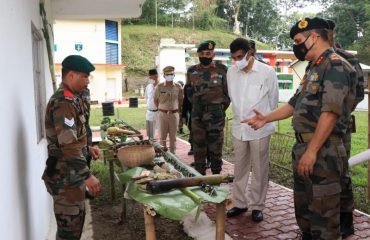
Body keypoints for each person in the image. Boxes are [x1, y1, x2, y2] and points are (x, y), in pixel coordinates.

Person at [245, 17, 356, 239]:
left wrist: (312, 151)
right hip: (304, 148)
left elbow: (330, 113)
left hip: (322, 151)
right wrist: (266, 118)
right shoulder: (314, 68)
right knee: (305, 213)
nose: (297, 46)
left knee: (324, 220)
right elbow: (294, 104)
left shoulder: (335, 65)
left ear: (314, 37)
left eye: (299, 40)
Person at [42, 55, 102, 239]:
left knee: (74, 229)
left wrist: (87, 148)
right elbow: (68, 146)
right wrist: (88, 176)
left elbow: (73, 137)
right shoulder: (64, 102)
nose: (87, 81)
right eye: (84, 76)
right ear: (71, 75)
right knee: (69, 233)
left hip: (70, 177)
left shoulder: (72, 99)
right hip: (65, 180)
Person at [226, 38, 279, 222]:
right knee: (239, 167)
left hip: (259, 128)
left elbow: (273, 101)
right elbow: (232, 97)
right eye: (233, 58)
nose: (237, 61)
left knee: (259, 168)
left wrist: (265, 119)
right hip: (239, 127)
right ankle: (239, 203)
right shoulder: (231, 73)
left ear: (251, 53)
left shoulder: (267, 72)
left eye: (240, 57)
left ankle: (257, 206)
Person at [326, 19, 365, 238]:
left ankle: (345, 219)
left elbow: (358, 93)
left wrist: (337, 112)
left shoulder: (349, 59)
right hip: (318, 128)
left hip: (340, 128)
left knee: (341, 172)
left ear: (331, 33)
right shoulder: (316, 60)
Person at [186, 40, 230, 175]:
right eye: (203, 53)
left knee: (216, 147)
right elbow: (188, 92)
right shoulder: (192, 71)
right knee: (198, 148)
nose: (206, 56)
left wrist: (219, 109)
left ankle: (216, 177)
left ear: (213, 54)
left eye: (209, 53)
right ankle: (201, 178)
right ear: (198, 54)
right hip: (197, 116)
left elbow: (227, 93)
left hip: (216, 116)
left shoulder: (222, 69)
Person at [154, 66, 183, 154]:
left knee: (173, 137)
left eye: (171, 74)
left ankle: (173, 156)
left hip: (174, 115)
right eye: (167, 74)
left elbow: (181, 100)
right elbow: (155, 100)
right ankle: (163, 155)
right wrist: (162, 109)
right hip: (162, 115)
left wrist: (178, 111)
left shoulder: (178, 87)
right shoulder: (159, 87)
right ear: (164, 75)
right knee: (162, 137)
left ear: (174, 75)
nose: (169, 76)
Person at [80, 88, 100, 169]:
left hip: (86, 133)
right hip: (78, 143)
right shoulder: (66, 100)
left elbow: (85, 118)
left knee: (87, 160)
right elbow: (68, 144)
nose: (87, 81)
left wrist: (89, 148)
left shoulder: (86, 91)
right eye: (84, 77)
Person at [145, 68, 159, 140]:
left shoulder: (161, 86)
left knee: (161, 131)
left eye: (151, 77)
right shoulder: (148, 87)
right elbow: (147, 98)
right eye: (149, 77)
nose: (150, 78)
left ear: (156, 76)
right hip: (149, 112)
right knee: (150, 133)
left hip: (159, 112)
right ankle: (151, 142)